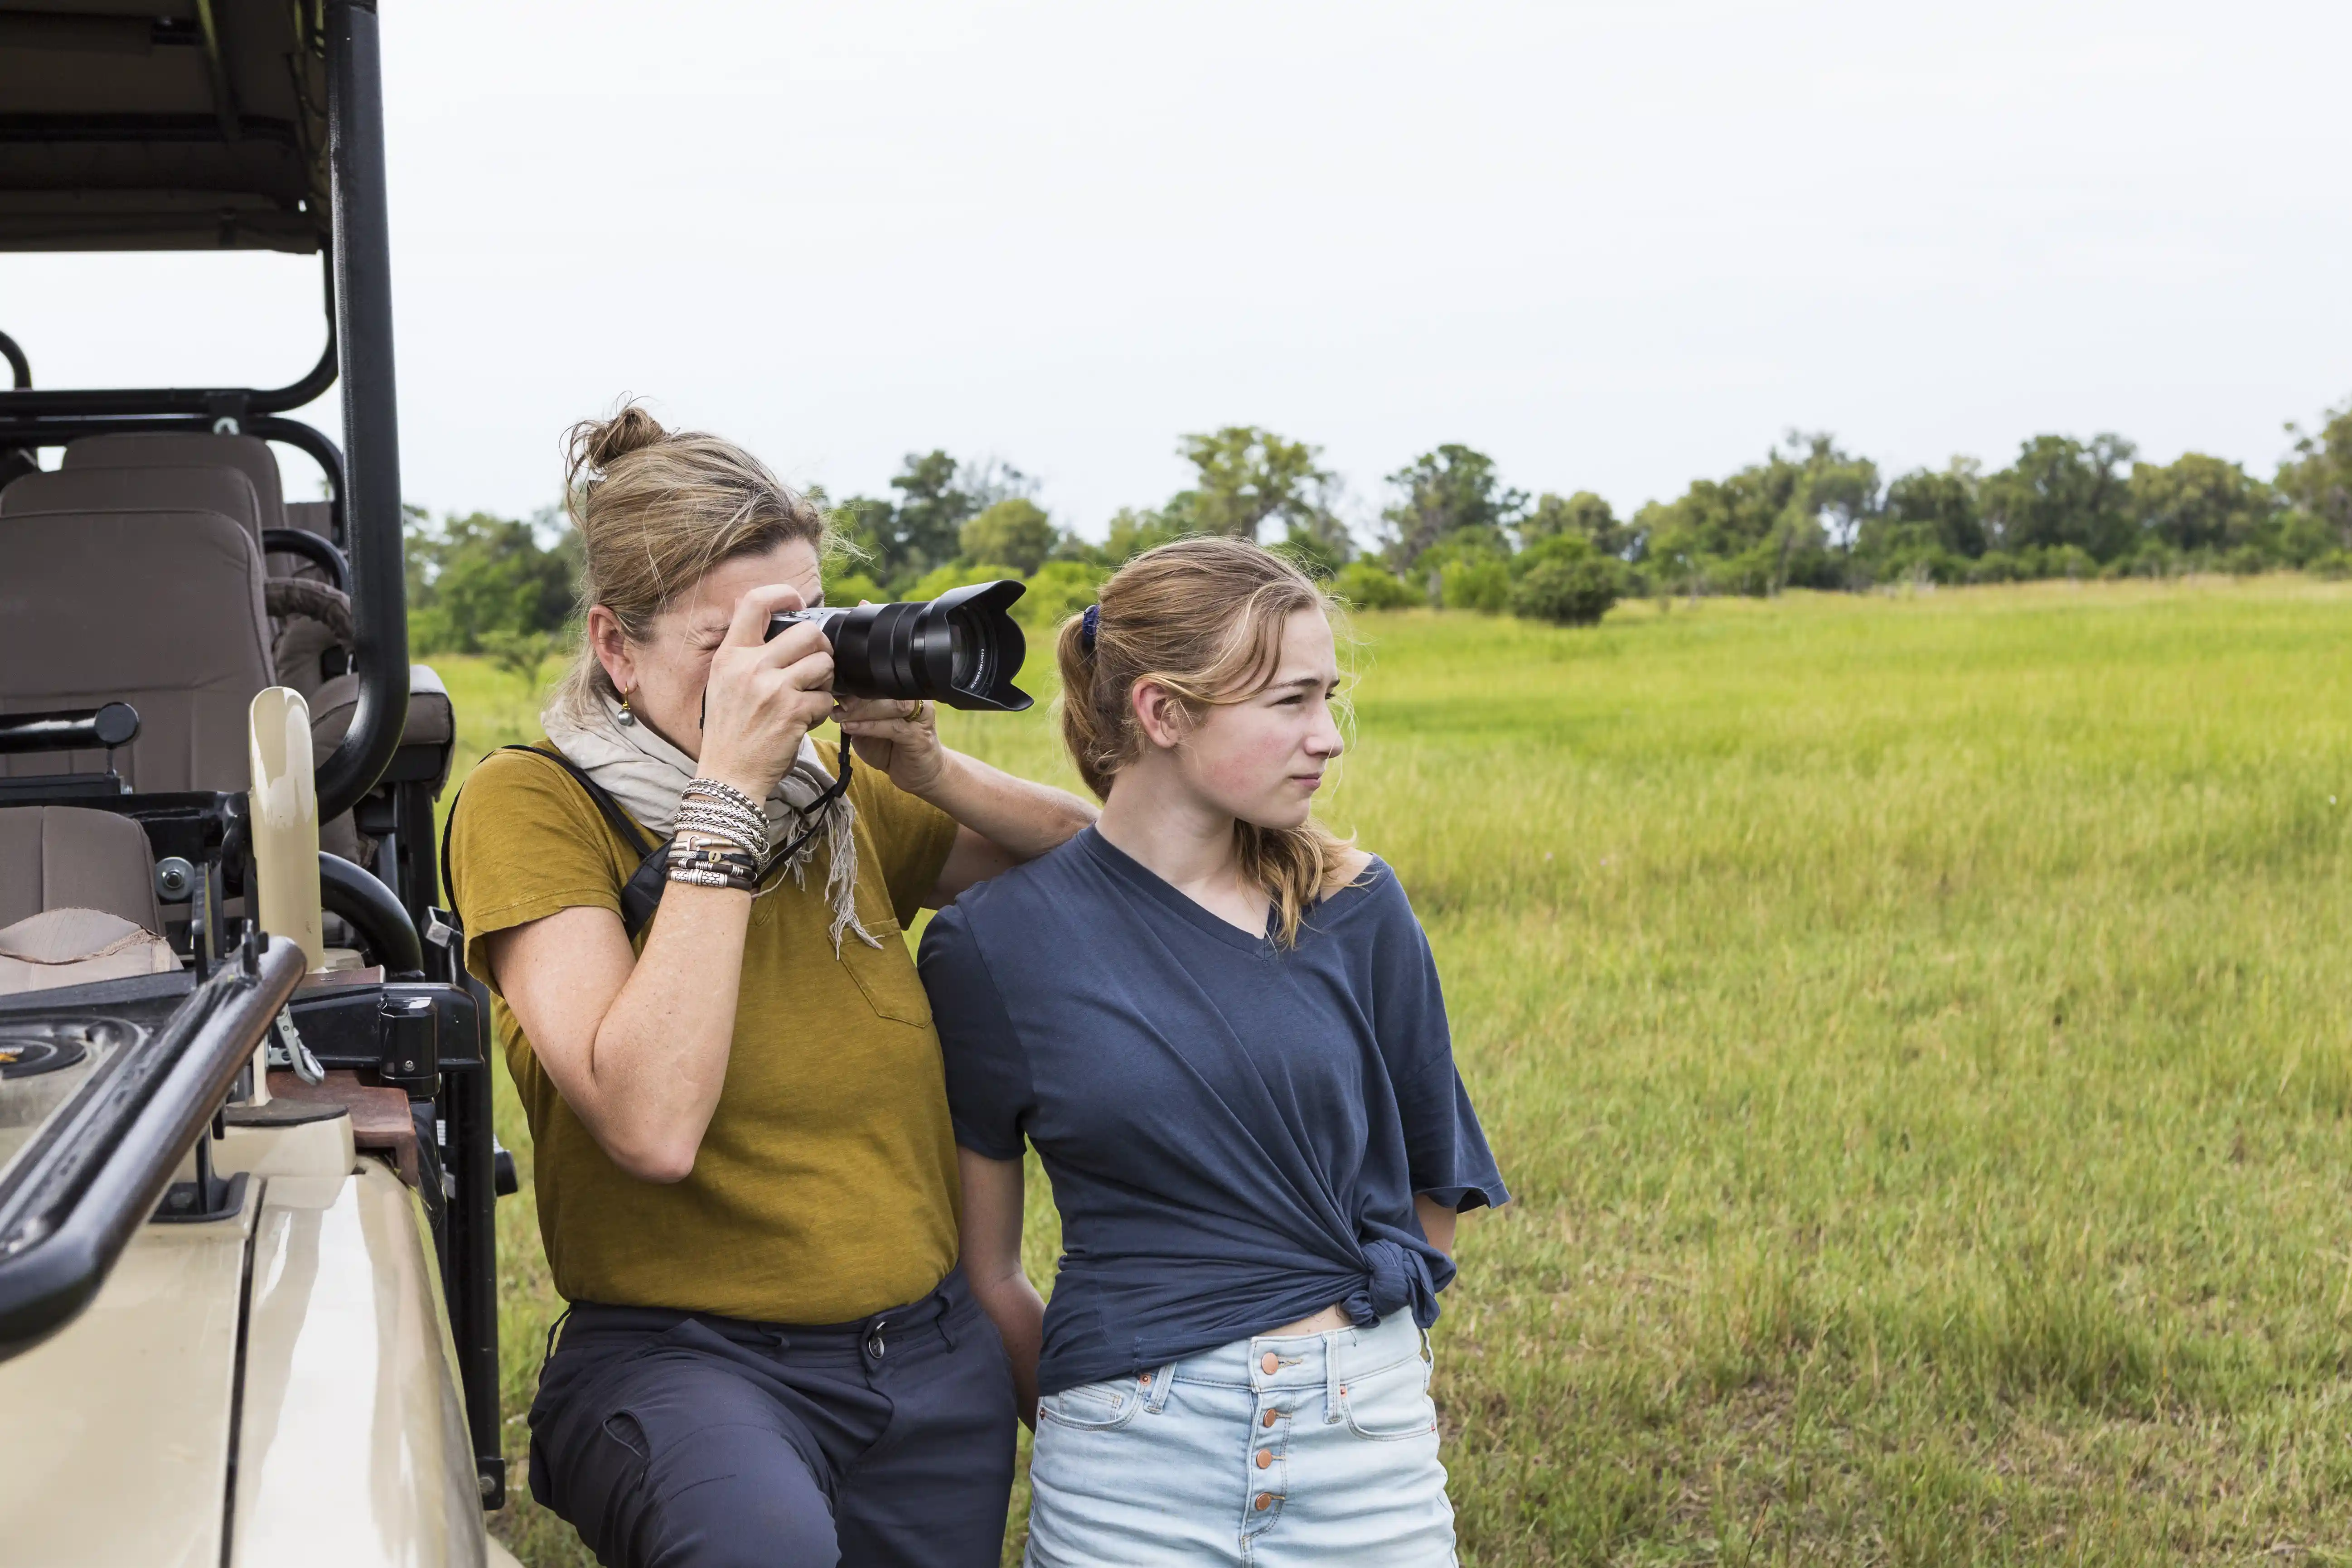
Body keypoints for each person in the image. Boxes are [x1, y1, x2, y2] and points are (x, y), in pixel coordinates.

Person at [445, 407, 1095, 1568]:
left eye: (802, 626)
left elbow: (1108, 870)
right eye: (732, 640)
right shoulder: (534, 802)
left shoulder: (831, 789)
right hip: (687, 1360)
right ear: (616, 645)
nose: (776, 670)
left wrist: (930, 765)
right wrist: (729, 793)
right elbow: (648, 1122)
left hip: (929, 1356)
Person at [920, 537, 1509, 1567]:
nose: (1326, 736)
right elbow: (988, 1266)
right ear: (1162, 713)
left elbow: (1436, 1177)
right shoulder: (991, 945)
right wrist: (1088, 1416)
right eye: (1289, 701)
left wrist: (1360, 1352)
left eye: (1331, 696)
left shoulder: (1356, 905)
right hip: (1124, 1471)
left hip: (1365, 1448)